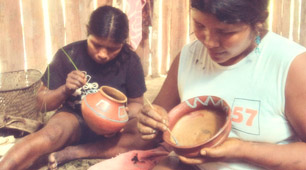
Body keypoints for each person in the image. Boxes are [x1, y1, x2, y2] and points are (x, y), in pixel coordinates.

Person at [137, 0, 306, 169]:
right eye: (200, 25)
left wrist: (242, 150)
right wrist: (151, 122)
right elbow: (159, 119)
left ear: (258, 23)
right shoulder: (189, 57)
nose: (209, 42)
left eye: (225, 32)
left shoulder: (291, 65)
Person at [0, 5, 153, 170]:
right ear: (88, 33)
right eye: (96, 44)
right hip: (74, 118)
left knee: (147, 134)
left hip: (114, 127)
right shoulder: (68, 55)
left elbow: (137, 104)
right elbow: (41, 103)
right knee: (50, 134)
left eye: (112, 49)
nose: (103, 54)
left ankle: (74, 152)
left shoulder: (130, 60)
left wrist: (119, 120)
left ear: (122, 43)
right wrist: (65, 90)